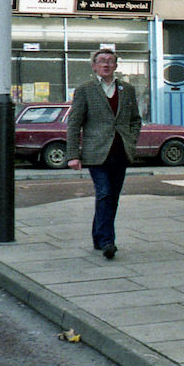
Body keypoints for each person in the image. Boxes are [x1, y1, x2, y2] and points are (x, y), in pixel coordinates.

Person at [66, 48, 142, 259]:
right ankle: (108, 241)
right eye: (101, 61)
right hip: (96, 153)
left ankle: (99, 236)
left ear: (116, 66)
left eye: (110, 61)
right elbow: (74, 124)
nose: (106, 65)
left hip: (121, 151)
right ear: (94, 66)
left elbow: (135, 119)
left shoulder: (127, 89)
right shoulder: (85, 90)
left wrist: (131, 139)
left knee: (112, 197)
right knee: (105, 193)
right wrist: (72, 155)